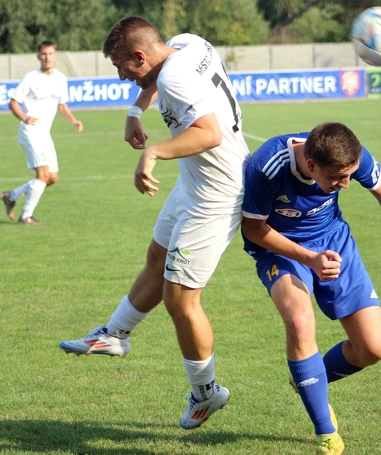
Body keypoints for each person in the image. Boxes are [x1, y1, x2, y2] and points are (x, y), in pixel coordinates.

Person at [59, 17, 250, 430]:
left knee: (180, 299)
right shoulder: (186, 44)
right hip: (194, 184)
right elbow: (158, 78)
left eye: (121, 66)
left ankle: (206, 392)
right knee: (156, 256)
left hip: (215, 195)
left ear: (139, 55)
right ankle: (115, 334)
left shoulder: (177, 76)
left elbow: (209, 133)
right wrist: (134, 110)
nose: (121, 74)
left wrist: (154, 152)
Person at [240, 122, 381, 455]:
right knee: (300, 322)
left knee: (373, 348)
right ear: (311, 165)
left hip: (334, 241)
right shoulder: (268, 165)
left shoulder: (348, 155)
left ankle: (305, 379)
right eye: (337, 178)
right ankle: (326, 434)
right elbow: (253, 229)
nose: (346, 184)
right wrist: (310, 258)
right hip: (280, 247)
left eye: (350, 175)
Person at [0, 40, 83, 224]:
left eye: (50, 54)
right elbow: (13, 102)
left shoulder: (61, 78)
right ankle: (26, 216)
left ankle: (11, 196)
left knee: (51, 178)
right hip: (30, 132)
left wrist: (73, 120)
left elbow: (61, 105)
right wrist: (25, 118)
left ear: (56, 56)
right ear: (38, 56)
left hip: (45, 134)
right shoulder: (31, 78)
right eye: (44, 54)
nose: (47, 57)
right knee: (43, 176)